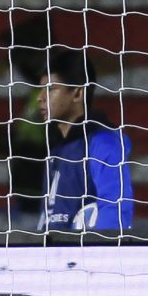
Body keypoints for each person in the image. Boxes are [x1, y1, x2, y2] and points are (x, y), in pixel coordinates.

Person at [39, 48, 132, 232]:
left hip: (86, 257)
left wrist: (101, 254)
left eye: (51, 89)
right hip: (54, 255)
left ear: (77, 94)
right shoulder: (56, 148)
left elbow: (115, 208)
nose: (40, 98)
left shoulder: (102, 143)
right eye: (41, 89)